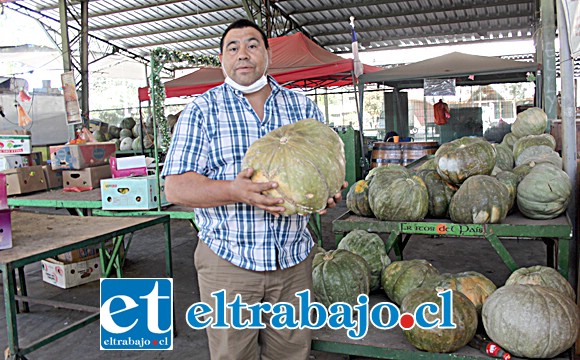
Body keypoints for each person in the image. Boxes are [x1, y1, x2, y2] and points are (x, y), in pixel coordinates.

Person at [162, 19, 345, 360]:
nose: (242, 54)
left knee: (293, 355)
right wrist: (236, 191)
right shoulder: (202, 111)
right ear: (221, 59)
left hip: (293, 262)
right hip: (229, 263)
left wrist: (326, 191)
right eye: (233, 47)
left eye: (252, 45)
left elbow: (326, 165)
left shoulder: (301, 107)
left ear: (268, 54)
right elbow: (175, 187)